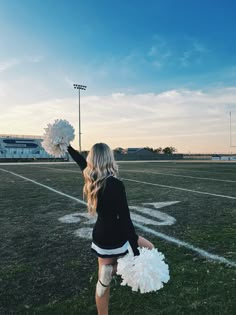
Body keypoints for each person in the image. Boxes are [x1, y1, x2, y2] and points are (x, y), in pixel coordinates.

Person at [67, 143, 154, 315]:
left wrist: (67, 147)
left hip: (101, 236)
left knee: (103, 283)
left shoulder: (90, 177)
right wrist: (135, 252)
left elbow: (80, 161)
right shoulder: (115, 184)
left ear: (92, 159)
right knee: (149, 249)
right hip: (117, 235)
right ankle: (114, 269)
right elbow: (125, 220)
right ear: (110, 158)